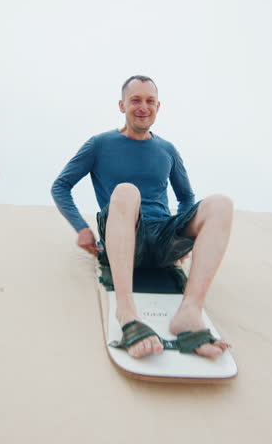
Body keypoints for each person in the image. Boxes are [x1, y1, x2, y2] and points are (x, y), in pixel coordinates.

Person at [51, 75, 233, 359]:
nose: (143, 107)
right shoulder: (100, 144)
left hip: (162, 239)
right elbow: (60, 186)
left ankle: (190, 312)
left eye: (150, 101)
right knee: (126, 191)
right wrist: (81, 228)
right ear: (122, 104)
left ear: (158, 106)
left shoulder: (167, 149)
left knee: (221, 204)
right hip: (123, 239)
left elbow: (186, 197)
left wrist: (181, 241)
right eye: (135, 100)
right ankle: (127, 313)